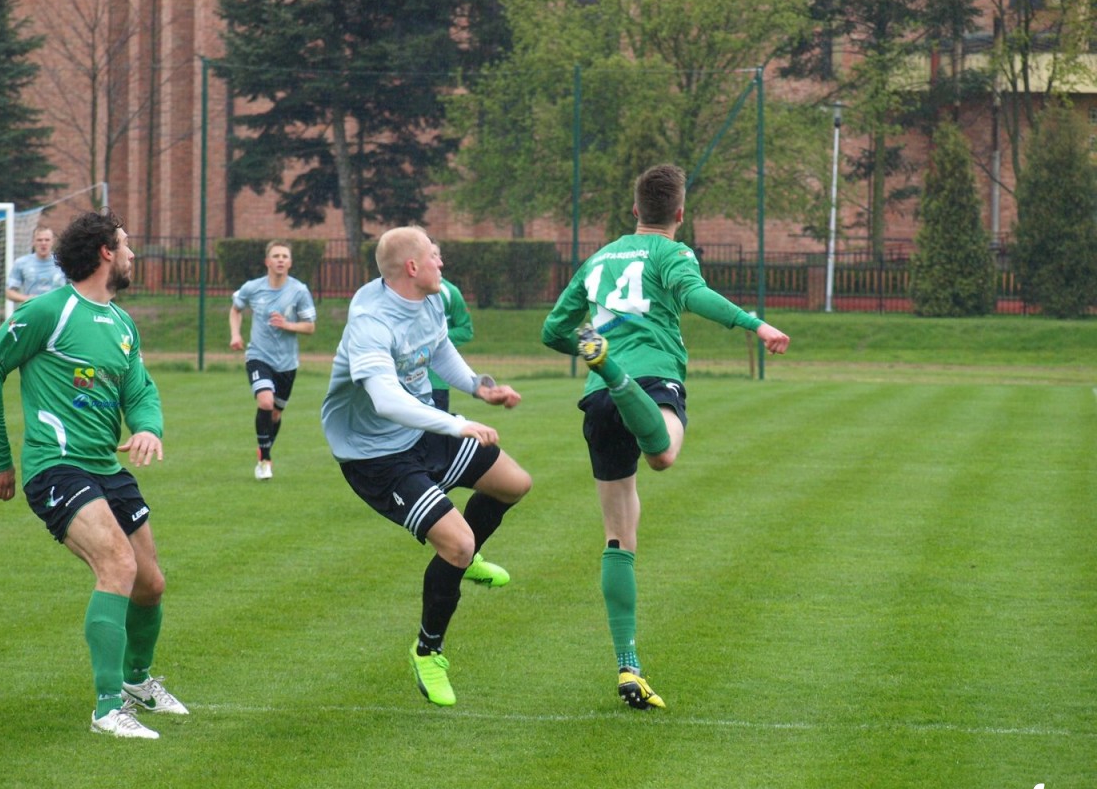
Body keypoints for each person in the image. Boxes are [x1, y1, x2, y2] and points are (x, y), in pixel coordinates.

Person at [541, 164, 790, 711]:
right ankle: (617, 375)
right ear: (680, 213)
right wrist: (757, 325)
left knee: (618, 535)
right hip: (650, 379)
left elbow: (553, 330)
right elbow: (695, 296)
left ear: (635, 210)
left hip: (596, 400)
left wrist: (591, 343)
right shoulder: (672, 254)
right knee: (664, 454)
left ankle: (628, 666)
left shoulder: (599, 258)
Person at [0, 209, 187, 740]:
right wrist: (0, 459)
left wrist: (148, 428)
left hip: (106, 467)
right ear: (105, 252)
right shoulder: (49, 311)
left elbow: (139, 390)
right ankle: (107, 709)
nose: (133, 253)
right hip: (57, 466)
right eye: (126, 244)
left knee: (151, 584)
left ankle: (137, 682)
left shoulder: (122, 322)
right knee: (117, 564)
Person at [321, 225, 532, 707]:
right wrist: (456, 424)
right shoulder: (371, 322)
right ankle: (427, 653)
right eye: (435, 256)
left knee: (513, 484)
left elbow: (439, 348)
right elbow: (386, 400)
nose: (442, 263)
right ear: (412, 267)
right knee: (456, 543)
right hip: (375, 455)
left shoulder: (434, 297)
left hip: (422, 430)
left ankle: (467, 559)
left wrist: (479, 387)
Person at [229, 240, 317, 480]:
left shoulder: (299, 291)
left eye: (285, 256)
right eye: (276, 256)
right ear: (267, 261)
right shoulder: (253, 288)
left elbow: (310, 326)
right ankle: (265, 460)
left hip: (287, 363)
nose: (280, 260)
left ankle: (263, 452)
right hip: (258, 356)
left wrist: (287, 325)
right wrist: (235, 334)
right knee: (265, 402)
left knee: (275, 414)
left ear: (290, 263)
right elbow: (236, 309)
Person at [427, 246, 474, 411]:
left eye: (436, 255)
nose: (438, 262)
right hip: (403, 383)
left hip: (436, 382)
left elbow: (466, 330)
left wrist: (433, 340)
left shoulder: (449, 292)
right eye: (430, 256)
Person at [5, 225, 66, 303]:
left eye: (47, 240)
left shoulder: (63, 262)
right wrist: (27, 299)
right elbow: (9, 292)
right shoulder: (22, 262)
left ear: (53, 241)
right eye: (39, 240)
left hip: (58, 308)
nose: (43, 243)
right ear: (33, 242)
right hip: (33, 308)